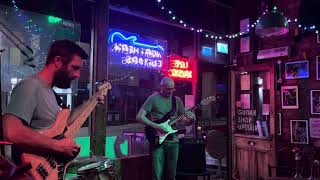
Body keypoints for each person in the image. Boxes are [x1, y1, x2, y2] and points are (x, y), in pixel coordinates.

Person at [2, 39, 104, 164]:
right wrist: (59, 146)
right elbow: (12, 131)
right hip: (29, 172)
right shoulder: (29, 86)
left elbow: (65, 123)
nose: (77, 75)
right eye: (75, 68)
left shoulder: (50, 92)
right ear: (57, 61)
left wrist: (92, 101)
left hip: (48, 169)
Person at [136, 76, 195, 180]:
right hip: (157, 141)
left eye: (173, 89)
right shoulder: (153, 99)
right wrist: (157, 126)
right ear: (161, 87)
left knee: (172, 175)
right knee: (157, 175)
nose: (171, 92)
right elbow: (139, 117)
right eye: (168, 89)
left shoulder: (177, 101)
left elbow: (184, 121)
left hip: (174, 141)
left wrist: (191, 119)